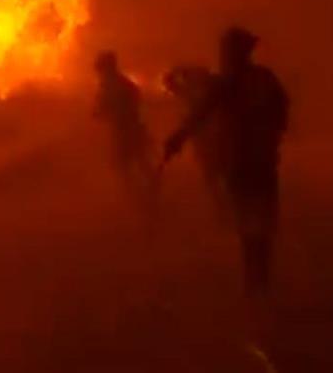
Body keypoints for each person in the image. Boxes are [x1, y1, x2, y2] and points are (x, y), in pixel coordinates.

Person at [165, 27, 289, 296]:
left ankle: (254, 282)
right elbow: (282, 111)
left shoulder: (228, 83)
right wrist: (271, 137)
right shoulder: (265, 77)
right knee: (262, 220)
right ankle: (261, 279)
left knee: (248, 222)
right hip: (263, 161)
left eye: (226, 50)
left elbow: (200, 113)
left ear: (234, 53)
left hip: (241, 161)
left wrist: (177, 138)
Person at [93, 51, 158, 211]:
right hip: (133, 129)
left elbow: (101, 109)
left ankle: (142, 201)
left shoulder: (111, 86)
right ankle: (150, 196)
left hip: (124, 131)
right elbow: (135, 100)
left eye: (100, 69)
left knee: (125, 167)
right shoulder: (125, 83)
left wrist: (103, 111)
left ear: (106, 68)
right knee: (140, 164)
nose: (99, 74)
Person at [163, 64, 228, 222]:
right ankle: (223, 207)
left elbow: (169, 82)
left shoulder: (197, 92)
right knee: (216, 174)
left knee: (215, 174)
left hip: (211, 137)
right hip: (211, 137)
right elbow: (169, 82)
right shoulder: (208, 90)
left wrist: (178, 70)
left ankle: (224, 208)